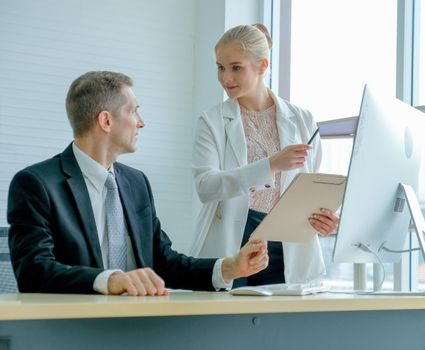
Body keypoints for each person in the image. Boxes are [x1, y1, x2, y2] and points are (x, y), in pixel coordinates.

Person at [7, 71, 268, 296]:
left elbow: (164, 263)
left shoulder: (136, 183)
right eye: (134, 111)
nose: (141, 122)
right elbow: (34, 271)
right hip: (72, 328)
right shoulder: (36, 184)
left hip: (140, 324)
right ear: (106, 121)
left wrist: (230, 267)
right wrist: (110, 280)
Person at [190, 24, 339, 286]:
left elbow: (310, 186)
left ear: (262, 65)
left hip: (287, 241)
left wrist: (325, 219)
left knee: (283, 324)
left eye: (236, 67)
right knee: (229, 323)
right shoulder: (211, 121)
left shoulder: (303, 119)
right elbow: (206, 187)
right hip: (234, 241)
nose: (226, 77)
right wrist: (270, 165)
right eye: (220, 67)